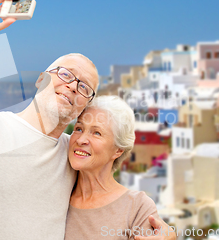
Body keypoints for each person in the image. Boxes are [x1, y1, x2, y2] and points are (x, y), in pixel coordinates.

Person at [0, 0, 175, 240]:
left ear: (84, 106)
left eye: (84, 87)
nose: (72, 85)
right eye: (66, 74)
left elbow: (111, 199)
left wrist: (169, 235)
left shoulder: (73, 155)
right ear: (40, 79)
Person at [65, 96, 171, 239]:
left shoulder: (137, 207)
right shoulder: (58, 193)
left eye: (97, 133)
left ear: (118, 150)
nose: (81, 140)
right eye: (78, 128)